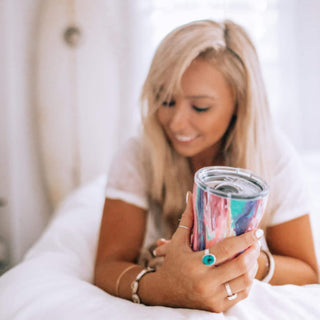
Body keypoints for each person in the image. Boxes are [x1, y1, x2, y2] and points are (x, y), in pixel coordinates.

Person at [94, 19, 319, 313]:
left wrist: (249, 260)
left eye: (200, 107)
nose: (175, 123)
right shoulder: (138, 153)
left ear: (240, 103)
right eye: (165, 99)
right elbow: (107, 266)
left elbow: (308, 271)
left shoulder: (273, 156)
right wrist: (163, 288)